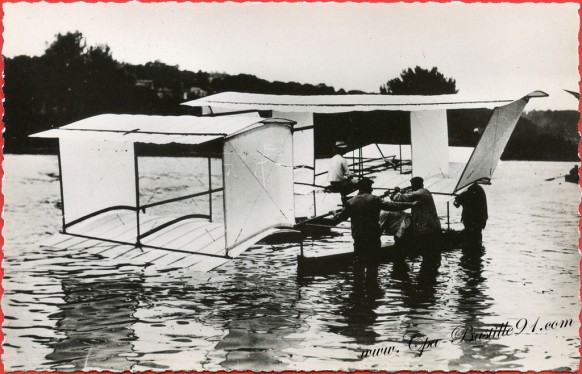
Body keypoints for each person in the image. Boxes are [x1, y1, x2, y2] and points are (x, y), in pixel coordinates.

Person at [336, 177, 415, 279]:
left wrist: (334, 213)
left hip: (358, 237)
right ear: (367, 188)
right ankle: (372, 289)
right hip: (372, 237)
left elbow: (341, 217)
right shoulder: (374, 199)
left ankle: (358, 288)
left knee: (358, 263)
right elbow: (393, 205)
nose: (372, 189)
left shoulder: (350, 202)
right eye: (370, 187)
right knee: (372, 265)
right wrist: (411, 204)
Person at [391, 176, 442, 265]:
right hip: (429, 228)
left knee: (429, 255)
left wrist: (395, 193)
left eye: (413, 185)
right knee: (430, 255)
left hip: (428, 229)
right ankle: (429, 273)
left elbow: (401, 198)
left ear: (417, 184)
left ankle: (428, 273)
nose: (411, 186)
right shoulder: (423, 192)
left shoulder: (422, 193)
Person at [454, 182, 488, 250]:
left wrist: (457, 199)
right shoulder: (479, 190)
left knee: (470, 242)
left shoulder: (471, 192)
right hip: (478, 222)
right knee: (476, 242)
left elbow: (457, 202)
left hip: (472, 222)